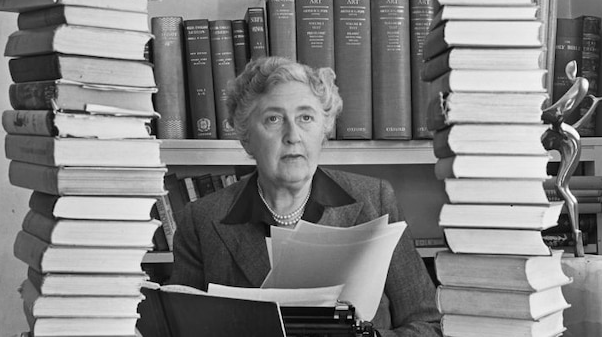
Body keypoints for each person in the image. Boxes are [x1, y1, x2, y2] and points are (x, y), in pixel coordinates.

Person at [170, 56, 442, 336]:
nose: (293, 135)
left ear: (323, 130)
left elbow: (430, 326)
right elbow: (177, 330)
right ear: (246, 137)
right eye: (273, 119)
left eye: (306, 118)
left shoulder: (376, 200)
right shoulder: (201, 221)